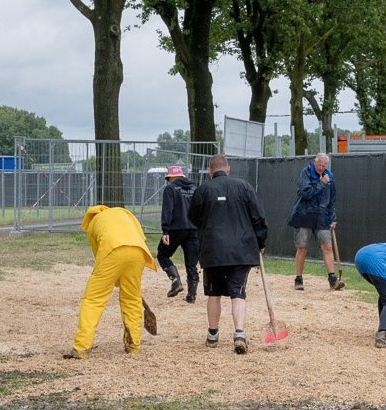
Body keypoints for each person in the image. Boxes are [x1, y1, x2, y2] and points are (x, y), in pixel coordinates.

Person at [189, 154, 267, 354]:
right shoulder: (244, 187)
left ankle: (213, 334)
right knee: (238, 293)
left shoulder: (203, 190)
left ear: (210, 171)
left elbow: (193, 217)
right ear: (228, 168)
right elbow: (258, 216)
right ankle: (239, 333)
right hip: (241, 250)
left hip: (213, 250)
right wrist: (261, 241)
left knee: (213, 293)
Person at [67, 204, 157, 359]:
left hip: (112, 252)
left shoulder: (93, 224)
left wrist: (113, 275)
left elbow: (99, 256)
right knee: (132, 298)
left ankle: (81, 348)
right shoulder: (124, 214)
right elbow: (141, 237)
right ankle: (133, 345)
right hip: (138, 252)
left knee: (93, 300)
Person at [289, 153, 342, 291]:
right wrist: (321, 183)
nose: (321, 168)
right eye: (319, 165)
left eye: (324, 166)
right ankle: (298, 279)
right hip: (304, 215)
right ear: (314, 162)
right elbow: (306, 193)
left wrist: (333, 217)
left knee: (327, 247)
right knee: (302, 247)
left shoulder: (329, 175)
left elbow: (332, 198)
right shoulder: (305, 173)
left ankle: (332, 279)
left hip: (322, 216)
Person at [157, 165, 200, 302]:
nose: (169, 181)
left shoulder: (170, 188)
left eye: (169, 178)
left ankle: (176, 280)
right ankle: (191, 296)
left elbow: (167, 210)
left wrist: (165, 230)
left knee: (163, 254)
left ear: (172, 177)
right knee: (191, 263)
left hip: (176, 229)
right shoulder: (195, 188)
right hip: (193, 229)